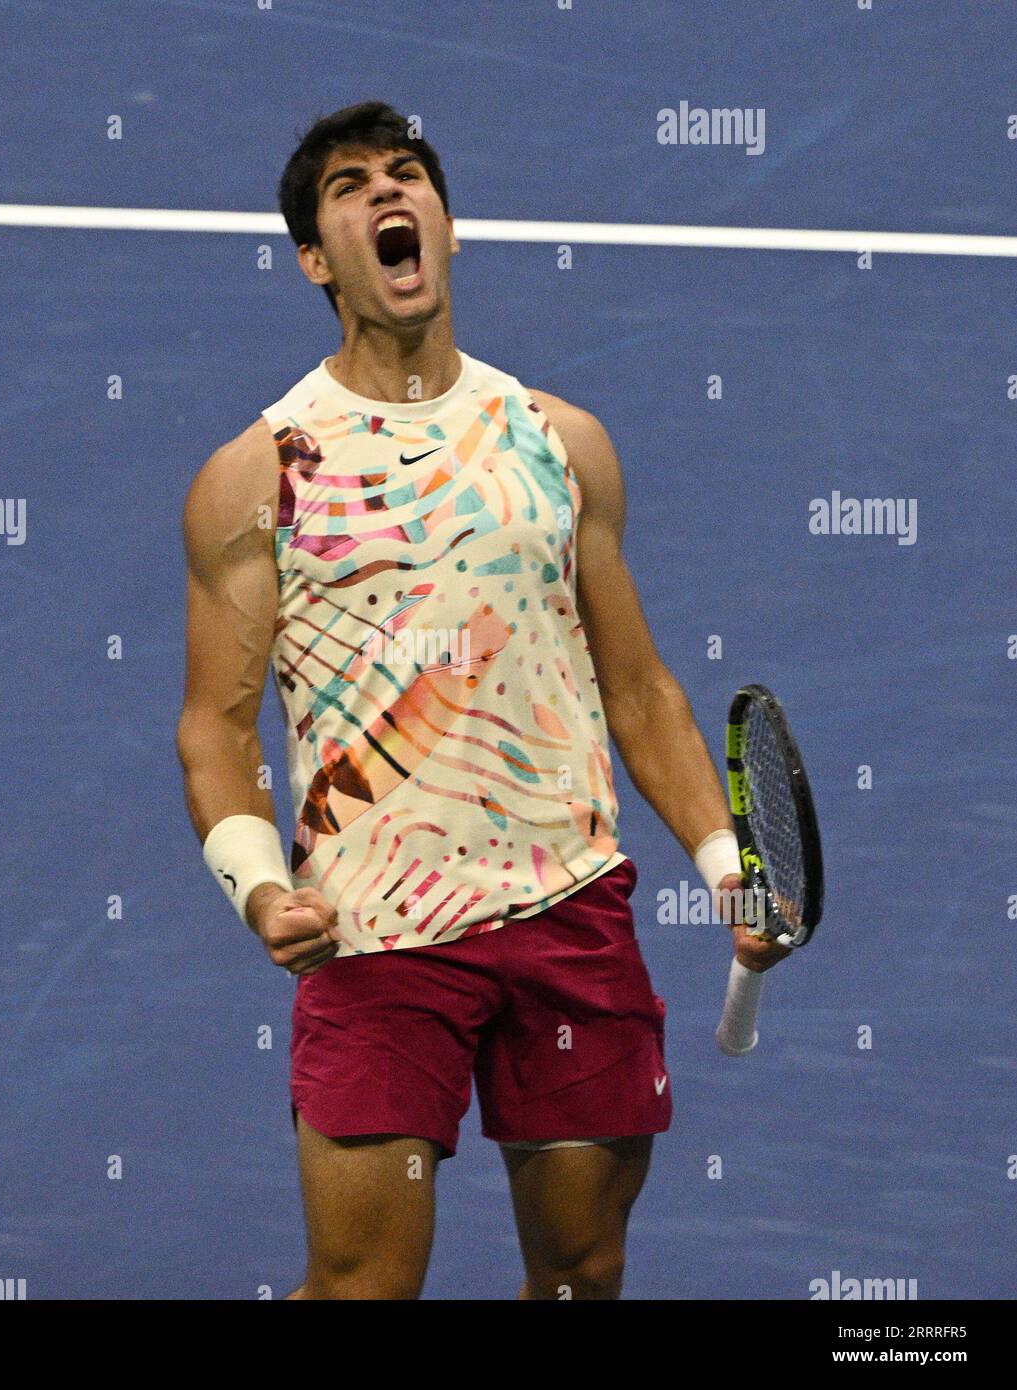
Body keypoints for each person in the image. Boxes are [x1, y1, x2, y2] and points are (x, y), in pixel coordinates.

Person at [176, 100, 789, 1300]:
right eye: (350, 188)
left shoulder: (560, 444)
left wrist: (728, 865)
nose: (386, 195)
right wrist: (257, 885)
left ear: (446, 227)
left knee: (579, 1273)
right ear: (315, 256)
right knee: (362, 1286)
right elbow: (214, 722)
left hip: (565, 913)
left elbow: (637, 685)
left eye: (407, 176)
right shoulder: (258, 475)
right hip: (374, 937)